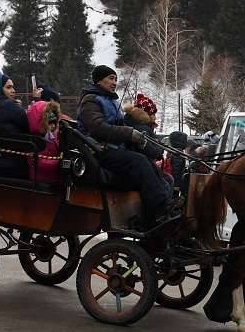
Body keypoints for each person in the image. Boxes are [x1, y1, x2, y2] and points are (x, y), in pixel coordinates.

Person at [77, 65, 171, 227]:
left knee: (149, 164)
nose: (114, 82)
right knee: (139, 162)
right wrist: (129, 133)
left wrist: (134, 136)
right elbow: (97, 127)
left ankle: (163, 205)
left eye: (115, 79)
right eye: (110, 78)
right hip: (98, 151)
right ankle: (159, 209)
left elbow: (119, 126)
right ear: (99, 80)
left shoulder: (110, 100)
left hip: (115, 149)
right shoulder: (91, 100)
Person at [26, 99, 64, 184]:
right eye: (50, 123)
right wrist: (59, 162)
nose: (53, 125)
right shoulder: (33, 142)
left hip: (53, 178)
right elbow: (40, 163)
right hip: (41, 181)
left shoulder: (52, 136)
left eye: (54, 122)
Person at [123, 93, 165, 162]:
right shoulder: (143, 128)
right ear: (145, 114)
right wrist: (160, 151)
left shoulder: (131, 122)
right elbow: (150, 150)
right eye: (153, 114)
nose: (155, 117)